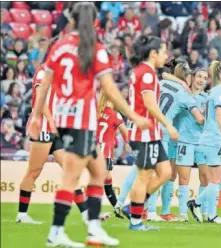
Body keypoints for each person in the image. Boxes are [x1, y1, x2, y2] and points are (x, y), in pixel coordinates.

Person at [28, 3, 150, 247]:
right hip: (80, 121)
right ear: (94, 22)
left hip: (65, 119)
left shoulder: (59, 47)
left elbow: (45, 84)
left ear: (71, 20)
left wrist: (36, 116)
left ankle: (93, 230)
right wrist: (132, 115)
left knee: (98, 171)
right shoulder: (94, 48)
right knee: (71, 178)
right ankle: (56, 233)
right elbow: (109, 89)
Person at [17, 62, 106, 225]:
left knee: (70, 170)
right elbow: (40, 100)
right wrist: (51, 122)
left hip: (55, 129)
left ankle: (86, 214)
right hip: (44, 126)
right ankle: (22, 215)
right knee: (34, 171)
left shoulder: (61, 74)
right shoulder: (44, 71)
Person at [124, 34, 178, 231]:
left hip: (151, 132)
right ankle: (136, 220)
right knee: (144, 175)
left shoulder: (144, 71)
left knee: (165, 172)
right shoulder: (146, 73)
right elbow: (149, 104)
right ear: (153, 53)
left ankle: (132, 207)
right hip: (144, 132)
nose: (166, 56)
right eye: (163, 52)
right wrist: (168, 125)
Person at [187, 61, 221, 224]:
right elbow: (219, 116)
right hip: (214, 140)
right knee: (215, 180)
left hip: (215, 140)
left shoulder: (216, 92)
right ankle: (211, 215)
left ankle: (197, 203)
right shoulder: (220, 93)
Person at [175, 67, 208, 222]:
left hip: (202, 142)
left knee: (205, 178)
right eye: (199, 76)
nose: (201, 80)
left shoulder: (207, 99)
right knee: (183, 178)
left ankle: (204, 211)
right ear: (193, 77)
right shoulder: (183, 95)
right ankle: (182, 214)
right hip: (185, 141)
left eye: (204, 77)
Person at [96, 90, 128, 219]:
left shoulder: (98, 113)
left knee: (106, 179)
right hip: (105, 152)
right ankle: (93, 213)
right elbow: (125, 132)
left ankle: (116, 207)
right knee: (99, 181)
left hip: (94, 150)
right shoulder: (115, 115)